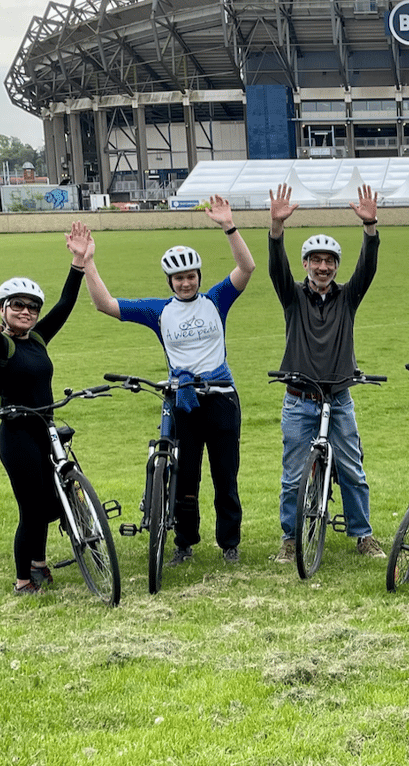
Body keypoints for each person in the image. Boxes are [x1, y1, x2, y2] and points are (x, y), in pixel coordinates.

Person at [69, 195, 254, 567]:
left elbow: (246, 268)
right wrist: (87, 263)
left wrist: (228, 227)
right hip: (183, 400)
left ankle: (229, 542)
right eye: (179, 278)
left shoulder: (216, 300)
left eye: (190, 277)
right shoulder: (159, 310)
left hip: (221, 397)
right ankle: (184, 543)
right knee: (185, 478)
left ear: (199, 277)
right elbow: (106, 304)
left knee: (225, 474)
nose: (185, 283)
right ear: (169, 280)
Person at [269, 182, 386, 561]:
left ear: (336, 266)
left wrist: (370, 229)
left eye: (329, 261)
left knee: (352, 470)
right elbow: (275, 269)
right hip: (298, 399)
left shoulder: (347, 298)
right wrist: (276, 228)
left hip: (338, 398)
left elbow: (367, 270)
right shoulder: (293, 297)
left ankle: (363, 535)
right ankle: (291, 539)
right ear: (306, 264)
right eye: (315, 260)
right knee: (292, 477)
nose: (323, 267)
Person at [0, 221, 86, 594]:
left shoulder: (36, 338)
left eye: (32, 306)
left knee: (51, 504)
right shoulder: (0, 346)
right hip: (17, 434)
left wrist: (79, 264)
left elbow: (65, 306)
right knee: (32, 509)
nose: (26, 311)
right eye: (17, 305)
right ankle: (25, 581)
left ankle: (39, 563)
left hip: (45, 428)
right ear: (4, 309)